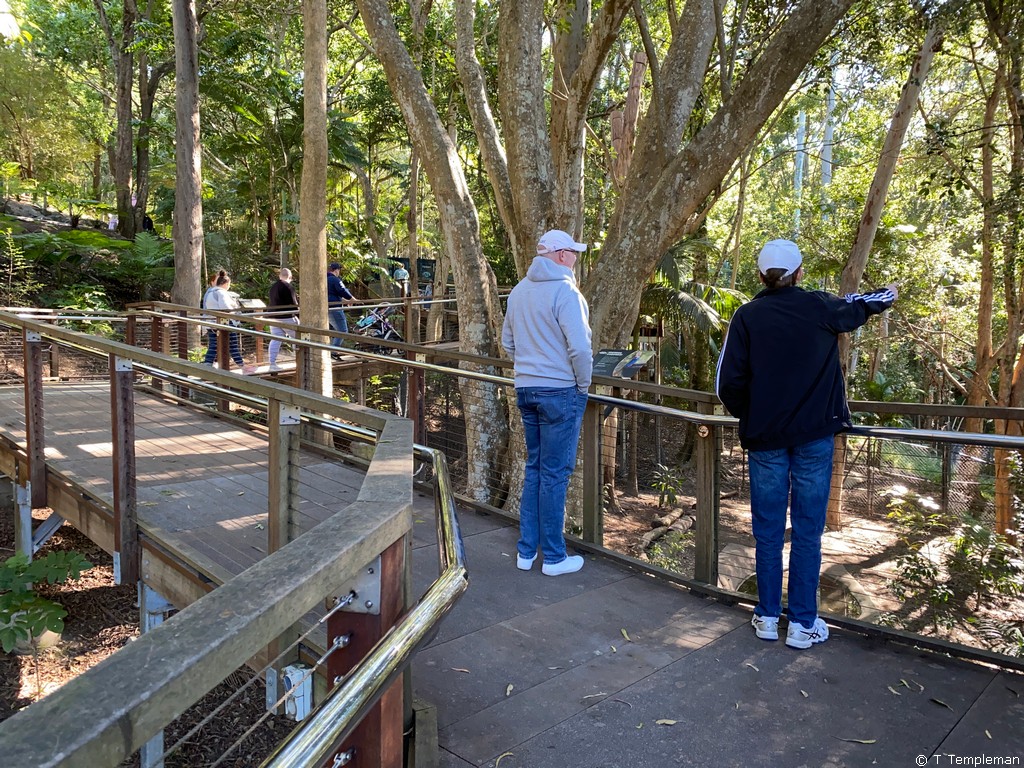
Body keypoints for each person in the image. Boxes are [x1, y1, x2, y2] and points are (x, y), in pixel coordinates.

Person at [715, 239, 897, 649]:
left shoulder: (746, 316)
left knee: (766, 529)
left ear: (761, 276)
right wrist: (886, 296)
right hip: (815, 435)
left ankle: (765, 616)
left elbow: (727, 385)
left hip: (764, 440)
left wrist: (755, 411)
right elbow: (864, 306)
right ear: (799, 273)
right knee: (808, 530)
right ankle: (802, 623)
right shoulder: (819, 306)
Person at [501, 229, 592, 576]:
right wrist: (582, 385)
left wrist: (530, 363)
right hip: (560, 390)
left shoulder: (520, 291)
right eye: (571, 252)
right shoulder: (566, 292)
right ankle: (554, 557)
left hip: (526, 388)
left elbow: (507, 341)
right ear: (559, 255)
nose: (574, 258)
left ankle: (526, 552)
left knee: (536, 469)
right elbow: (580, 349)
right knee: (555, 474)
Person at [202, 269, 254, 373]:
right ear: (226, 283)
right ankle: (242, 366)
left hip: (211, 322)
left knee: (214, 345)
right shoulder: (222, 293)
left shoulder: (210, 292)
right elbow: (225, 307)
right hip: (224, 322)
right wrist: (235, 308)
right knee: (232, 344)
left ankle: (207, 364)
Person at [267, 267, 298, 371]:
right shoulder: (289, 287)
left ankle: (272, 364)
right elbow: (294, 304)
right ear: (290, 277)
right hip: (286, 317)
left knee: (275, 339)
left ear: (280, 276)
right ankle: (301, 361)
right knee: (300, 338)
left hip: (273, 317)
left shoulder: (273, 287)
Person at [327, 262, 354, 357]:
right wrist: (352, 299)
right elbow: (342, 290)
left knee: (337, 329)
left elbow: (334, 294)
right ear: (336, 270)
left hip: (329, 307)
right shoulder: (335, 279)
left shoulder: (325, 279)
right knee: (342, 330)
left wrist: (346, 300)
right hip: (335, 308)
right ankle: (334, 350)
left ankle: (333, 349)